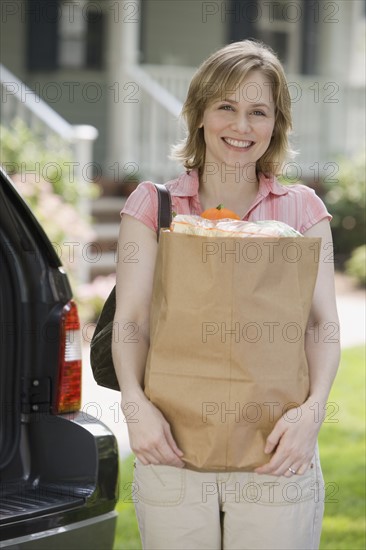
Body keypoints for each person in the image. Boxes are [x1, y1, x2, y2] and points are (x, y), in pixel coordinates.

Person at [112, 40, 340, 550]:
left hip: (277, 450)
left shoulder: (302, 210)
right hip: (171, 445)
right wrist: (135, 408)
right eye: (226, 107)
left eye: (258, 111)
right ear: (198, 114)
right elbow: (132, 321)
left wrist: (313, 413)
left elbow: (321, 324)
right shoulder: (154, 206)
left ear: (276, 123)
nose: (241, 127)